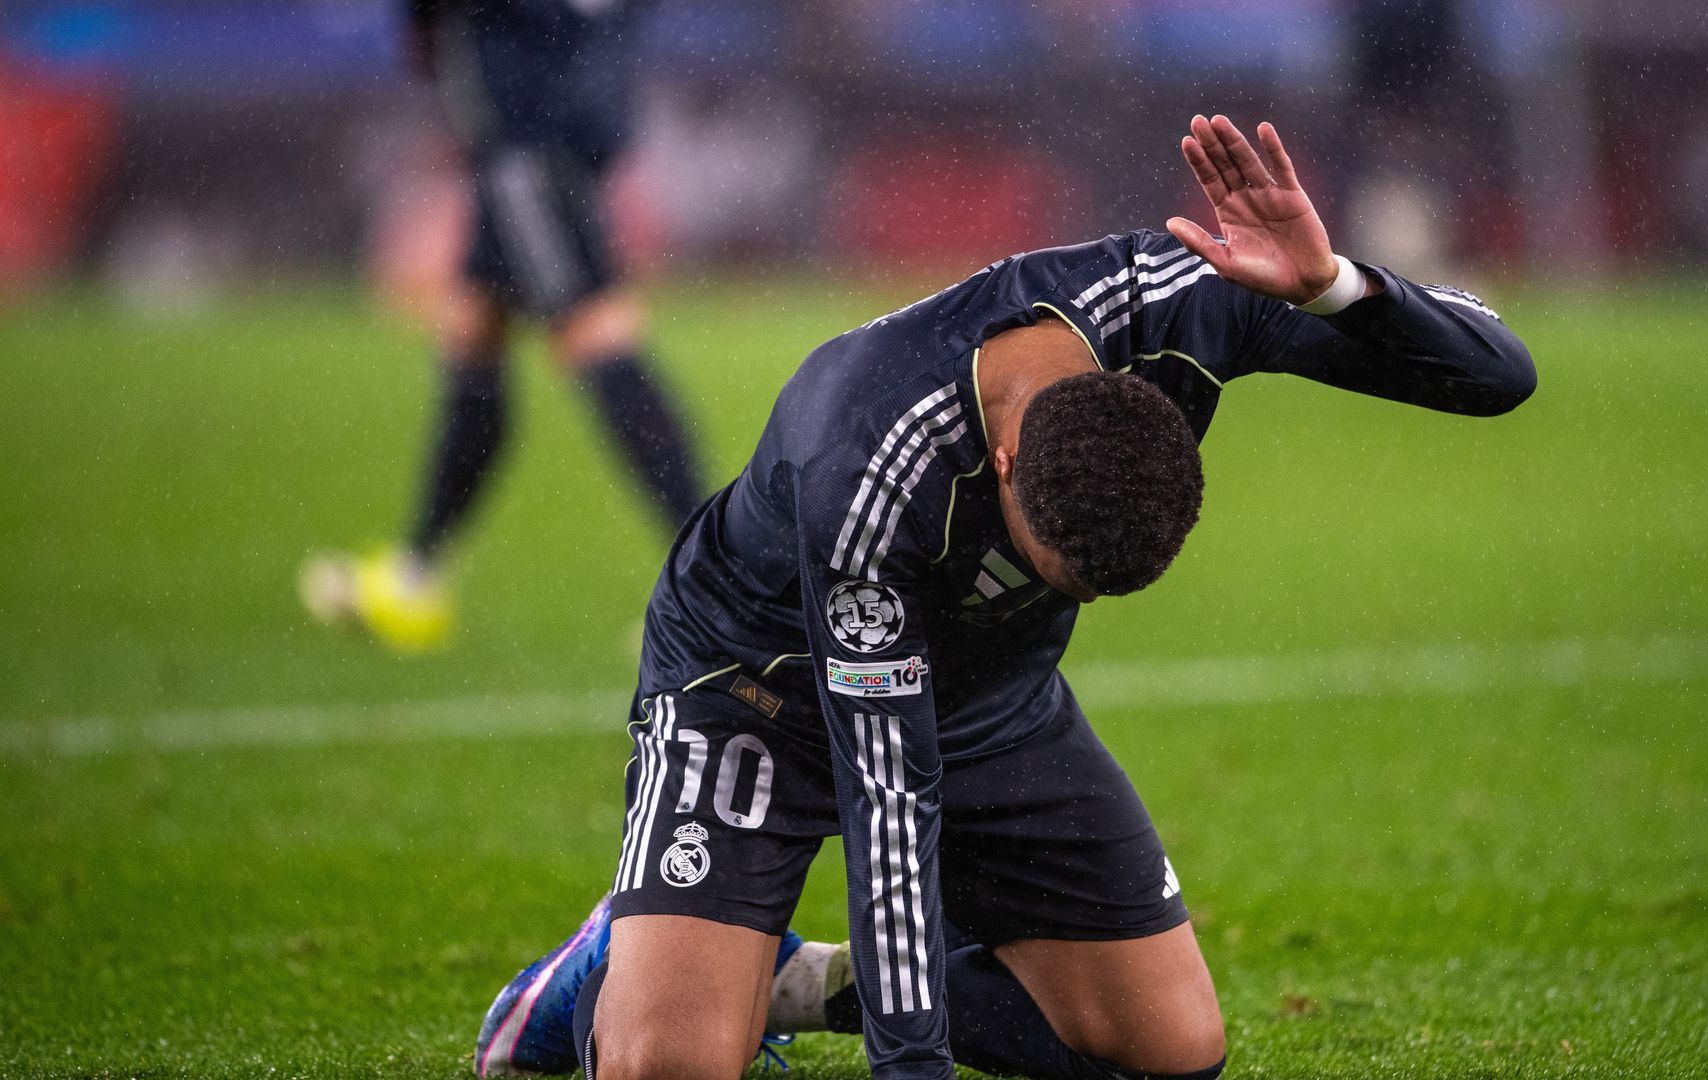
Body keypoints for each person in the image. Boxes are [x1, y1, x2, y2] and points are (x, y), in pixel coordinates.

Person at [472, 114, 1536, 1079]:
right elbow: (888, 806)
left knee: (1169, 1052)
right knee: (670, 1067)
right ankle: (617, 957)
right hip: (757, 684)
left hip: (991, 694)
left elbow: (1498, 376)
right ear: (1012, 456)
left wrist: (1332, 287)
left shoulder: (1194, 303)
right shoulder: (867, 467)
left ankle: (788, 982)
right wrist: (914, 1071)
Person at [301, 0, 704, 652]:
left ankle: (721, 589)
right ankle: (417, 569)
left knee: (599, 339)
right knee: (474, 333)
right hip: (558, 128)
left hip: (528, 139)